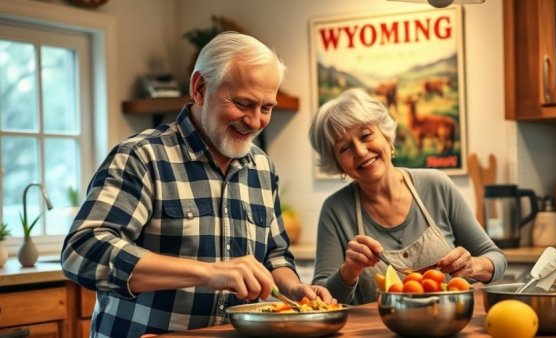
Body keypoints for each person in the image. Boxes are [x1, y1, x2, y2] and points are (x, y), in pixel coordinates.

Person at [62, 31, 332, 337]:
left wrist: (294, 289)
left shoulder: (261, 167)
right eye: (243, 103)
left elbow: (276, 256)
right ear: (200, 88)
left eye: (266, 108)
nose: (256, 121)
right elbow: (81, 252)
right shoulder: (142, 157)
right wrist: (207, 272)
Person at [308, 88, 506, 305]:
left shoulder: (437, 186)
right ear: (337, 164)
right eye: (345, 148)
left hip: (449, 324)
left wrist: (475, 266)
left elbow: (496, 258)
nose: (361, 151)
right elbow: (322, 297)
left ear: (386, 135)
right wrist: (348, 271)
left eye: (366, 135)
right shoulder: (335, 210)